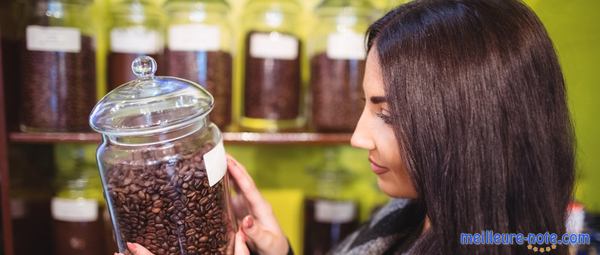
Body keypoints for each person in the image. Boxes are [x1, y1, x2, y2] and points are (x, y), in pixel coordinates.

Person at [118, 0, 575, 254]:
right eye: (365, 106)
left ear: (470, 123)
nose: (357, 137)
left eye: (387, 113)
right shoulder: (411, 217)